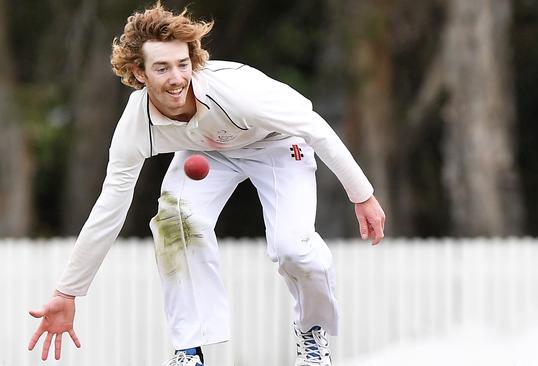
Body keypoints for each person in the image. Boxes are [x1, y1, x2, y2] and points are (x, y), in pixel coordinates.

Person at [28, 3, 385, 366]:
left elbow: (315, 128)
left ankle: (312, 333)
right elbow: (109, 209)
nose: (177, 78)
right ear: (139, 72)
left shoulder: (234, 92)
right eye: (162, 68)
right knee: (174, 223)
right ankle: (190, 351)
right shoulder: (136, 125)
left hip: (277, 142)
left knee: (293, 248)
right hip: (207, 151)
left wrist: (363, 195)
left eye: (183, 65)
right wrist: (67, 292)